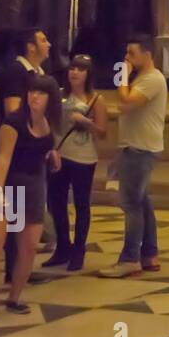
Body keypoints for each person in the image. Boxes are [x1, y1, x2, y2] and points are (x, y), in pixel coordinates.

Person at [0, 74, 62, 320]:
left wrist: (51, 153)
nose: (34, 96)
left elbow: (44, 147)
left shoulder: (46, 124)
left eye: (41, 93)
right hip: (4, 183)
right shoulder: (12, 123)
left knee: (28, 247)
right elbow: (3, 159)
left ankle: (14, 297)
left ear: (51, 98)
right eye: (32, 91)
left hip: (33, 187)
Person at [0, 27, 52, 287]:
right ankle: (13, 269)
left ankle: (21, 267)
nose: (49, 44)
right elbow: (13, 111)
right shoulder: (16, 72)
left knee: (28, 211)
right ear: (30, 46)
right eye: (43, 40)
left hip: (33, 152)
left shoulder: (37, 74)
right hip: (17, 151)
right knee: (13, 208)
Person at [101, 34, 168, 278]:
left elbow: (126, 99)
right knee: (143, 203)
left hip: (141, 149)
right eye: (126, 54)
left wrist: (122, 73)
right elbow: (125, 104)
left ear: (147, 54)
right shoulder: (142, 79)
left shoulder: (153, 79)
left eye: (132, 53)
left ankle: (130, 258)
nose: (126, 58)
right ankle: (149, 254)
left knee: (131, 204)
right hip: (136, 146)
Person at [45, 55, 106, 272]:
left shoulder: (96, 99)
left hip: (84, 157)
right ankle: (63, 246)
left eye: (80, 69)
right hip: (60, 155)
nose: (75, 73)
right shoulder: (59, 96)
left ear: (88, 74)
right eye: (72, 68)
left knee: (81, 204)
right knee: (56, 202)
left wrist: (86, 122)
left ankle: (79, 250)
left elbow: (103, 132)